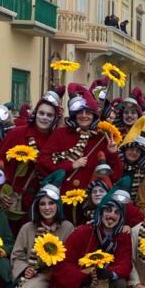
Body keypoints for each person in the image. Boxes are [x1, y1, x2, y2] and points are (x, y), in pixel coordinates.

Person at [34, 177, 133, 288]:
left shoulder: (123, 236)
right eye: (108, 210)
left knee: (120, 284)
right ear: (101, 212)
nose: (112, 215)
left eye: (117, 212)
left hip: (103, 284)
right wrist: (83, 277)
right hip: (76, 284)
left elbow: (125, 263)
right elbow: (63, 263)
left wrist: (108, 273)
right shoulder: (84, 231)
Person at [37, 84, 123, 217]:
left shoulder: (102, 137)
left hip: (91, 204)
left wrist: (112, 154)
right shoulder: (61, 133)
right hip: (61, 201)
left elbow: (115, 174)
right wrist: (70, 165)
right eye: (80, 112)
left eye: (88, 112)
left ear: (94, 115)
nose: (84, 116)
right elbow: (43, 160)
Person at [3, 170, 74, 288]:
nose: (47, 208)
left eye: (51, 203)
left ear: (58, 206)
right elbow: (17, 255)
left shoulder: (67, 227)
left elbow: (70, 257)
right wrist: (25, 269)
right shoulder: (27, 228)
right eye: (42, 204)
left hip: (54, 276)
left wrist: (49, 270)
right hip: (28, 277)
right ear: (37, 207)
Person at [0, 86, 65, 227]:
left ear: (55, 118)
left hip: (43, 205)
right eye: (41, 113)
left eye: (49, 115)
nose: (44, 118)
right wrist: (0, 191)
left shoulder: (57, 140)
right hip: (13, 201)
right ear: (35, 113)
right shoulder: (17, 134)